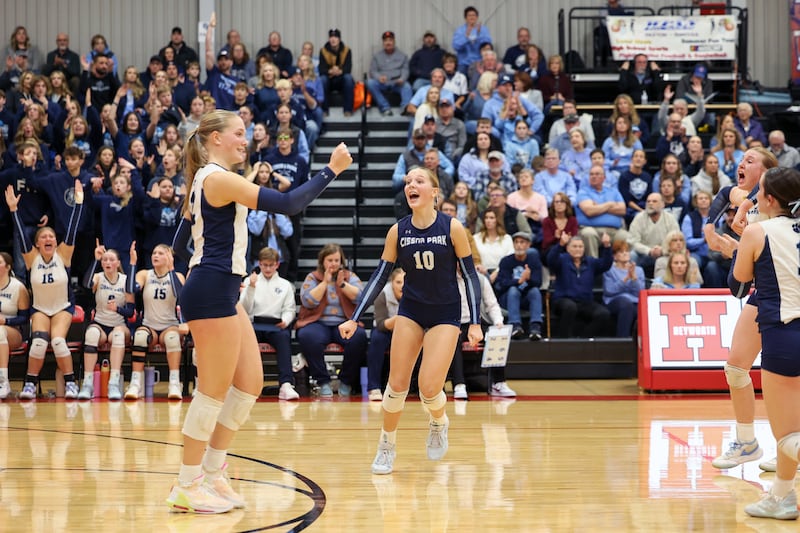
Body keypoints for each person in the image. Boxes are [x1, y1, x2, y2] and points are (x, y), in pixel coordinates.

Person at [166, 108, 352, 513]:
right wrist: (331, 170)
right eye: (237, 132)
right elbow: (287, 203)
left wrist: (193, 271)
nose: (243, 139)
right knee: (212, 391)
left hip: (221, 289)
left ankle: (214, 472)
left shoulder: (206, 180)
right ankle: (186, 483)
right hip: (213, 289)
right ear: (215, 138)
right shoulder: (219, 178)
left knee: (249, 384)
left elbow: (180, 242)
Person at [339, 166, 483, 475]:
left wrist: (474, 322)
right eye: (407, 182)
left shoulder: (453, 227)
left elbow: (470, 275)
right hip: (412, 311)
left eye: (419, 181)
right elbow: (379, 277)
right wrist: (354, 317)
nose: (411, 185)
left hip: (446, 313)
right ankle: (386, 444)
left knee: (429, 388)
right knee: (397, 384)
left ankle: (438, 421)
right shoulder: (398, 231)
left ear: (434, 192)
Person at [721, 167, 800, 520]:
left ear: (768, 199)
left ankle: (778, 492)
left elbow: (739, 286)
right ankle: (781, 497)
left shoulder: (756, 231)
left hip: (784, 335)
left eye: (759, 193)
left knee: (787, 436)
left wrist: (735, 251)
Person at [702, 147, 780, 471]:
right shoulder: (747, 199)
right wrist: (710, 227)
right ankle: (747, 442)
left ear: (768, 172)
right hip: (765, 292)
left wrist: (738, 240)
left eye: (750, 160)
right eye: (741, 159)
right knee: (736, 368)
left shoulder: (784, 203)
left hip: (790, 293)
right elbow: (723, 193)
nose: (741, 164)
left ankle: (794, 448)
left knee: (785, 377)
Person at [5, 179, 84, 400]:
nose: (48, 238)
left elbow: (72, 230)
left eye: (51, 236)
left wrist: (79, 202)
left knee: (58, 341)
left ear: (56, 242)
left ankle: (70, 384)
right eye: (43, 237)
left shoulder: (63, 255)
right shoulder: (32, 259)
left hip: (62, 308)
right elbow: (21, 236)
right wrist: (14, 210)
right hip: (39, 308)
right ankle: (30, 384)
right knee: (38, 342)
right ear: (38, 243)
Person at [295, 243, 367, 398]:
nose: (334, 264)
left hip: (344, 322)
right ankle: (323, 382)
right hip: (318, 323)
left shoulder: (349, 276)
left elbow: (361, 297)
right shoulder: (312, 277)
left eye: (337, 260)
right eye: (330, 260)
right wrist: (325, 283)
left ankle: (346, 382)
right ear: (322, 262)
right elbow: (308, 301)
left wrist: (342, 284)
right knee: (307, 336)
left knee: (358, 337)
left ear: (341, 261)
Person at [124, 243, 185, 401]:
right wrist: (132, 263)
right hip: (149, 325)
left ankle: (174, 383)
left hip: (169, 326)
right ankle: (135, 383)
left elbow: (180, 294)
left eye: (160, 253)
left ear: (169, 257)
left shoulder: (178, 276)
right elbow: (131, 288)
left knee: (172, 339)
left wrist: (171, 269)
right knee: (139, 337)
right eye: (154, 252)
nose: (155, 256)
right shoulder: (145, 274)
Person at [239, 247, 299, 401]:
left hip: (275, 326)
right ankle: (245, 384)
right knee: (244, 341)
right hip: (253, 324)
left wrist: (285, 321)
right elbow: (244, 309)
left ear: (277, 265)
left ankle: (285, 384)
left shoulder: (285, 285)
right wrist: (251, 288)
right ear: (259, 264)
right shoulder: (249, 281)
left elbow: (290, 309)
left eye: (271, 265)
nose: (267, 268)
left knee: (284, 338)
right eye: (264, 265)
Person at [78, 242, 133, 401]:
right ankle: (87, 384)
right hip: (100, 324)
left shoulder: (125, 280)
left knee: (117, 336)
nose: (107, 262)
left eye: (111, 260)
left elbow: (130, 312)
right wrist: (95, 260)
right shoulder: (98, 277)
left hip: (119, 325)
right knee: (92, 334)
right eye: (104, 260)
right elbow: (86, 284)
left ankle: (113, 383)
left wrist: (118, 309)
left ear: (118, 263)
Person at [547, 233, 613, 338]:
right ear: (568, 248)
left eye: (580, 246)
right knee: (570, 307)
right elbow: (550, 260)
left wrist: (607, 246)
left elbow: (606, 264)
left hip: (584, 302)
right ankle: (564, 340)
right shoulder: (562, 260)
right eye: (574, 246)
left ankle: (583, 339)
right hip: (563, 300)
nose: (578, 249)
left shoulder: (590, 262)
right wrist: (560, 244)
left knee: (603, 314)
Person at [365, 268, 405, 401]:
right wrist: (401, 316)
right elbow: (381, 324)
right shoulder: (383, 293)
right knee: (377, 339)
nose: (402, 286)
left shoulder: (415, 293)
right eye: (398, 282)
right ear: (392, 283)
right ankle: (374, 387)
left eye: (405, 282)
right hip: (386, 330)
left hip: (407, 331)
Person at [494, 231, 543, 340]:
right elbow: (501, 284)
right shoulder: (506, 261)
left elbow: (538, 282)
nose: (519, 245)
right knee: (513, 290)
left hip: (526, 298)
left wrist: (529, 278)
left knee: (535, 291)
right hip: (508, 299)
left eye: (522, 242)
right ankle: (515, 326)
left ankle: (535, 327)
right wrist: (518, 281)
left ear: (528, 245)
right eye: (516, 242)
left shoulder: (533, 261)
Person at [576, 165, 628, 258]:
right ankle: (593, 267)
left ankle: (622, 268)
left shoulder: (613, 192)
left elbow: (622, 210)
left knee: (627, 237)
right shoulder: (583, 192)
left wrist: (598, 207)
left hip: (614, 230)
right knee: (588, 234)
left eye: (597, 174)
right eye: (591, 174)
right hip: (592, 229)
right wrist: (609, 204)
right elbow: (589, 211)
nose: (593, 176)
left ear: (604, 178)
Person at [628, 193, 680, 278]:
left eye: (654, 201)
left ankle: (666, 287)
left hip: (665, 253)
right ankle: (634, 284)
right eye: (648, 201)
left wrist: (663, 250)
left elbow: (676, 241)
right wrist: (649, 251)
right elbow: (633, 242)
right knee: (632, 255)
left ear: (662, 204)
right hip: (644, 254)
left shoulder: (670, 218)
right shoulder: (639, 218)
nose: (650, 204)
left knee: (676, 257)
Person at [0, 252, 30, 399]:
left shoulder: (18, 287)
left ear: (8, 266)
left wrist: (6, 321)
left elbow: (24, 318)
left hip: (13, 332)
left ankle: (3, 381)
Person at [683, 190, 724, 288]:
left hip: (715, 253)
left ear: (710, 200)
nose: (703, 200)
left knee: (712, 267)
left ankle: (717, 294)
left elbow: (724, 234)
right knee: (692, 260)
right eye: (700, 198)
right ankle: (693, 289)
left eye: (706, 198)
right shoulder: (689, 218)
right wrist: (704, 240)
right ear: (695, 202)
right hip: (698, 253)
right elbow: (687, 242)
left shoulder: (719, 216)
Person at [603, 240, 644, 338]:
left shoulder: (638, 270)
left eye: (627, 251)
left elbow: (640, 293)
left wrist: (634, 277)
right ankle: (622, 339)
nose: (625, 253)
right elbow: (610, 290)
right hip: (615, 301)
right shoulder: (609, 270)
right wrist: (626, 279)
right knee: (626, 304)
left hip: (635, 302)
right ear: (615, 256)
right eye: (621, 252)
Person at [367, 31, 412, 117]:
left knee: (407, 86)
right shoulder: (377, 56)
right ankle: (385, 108)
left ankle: (405, 108)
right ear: (383, 43)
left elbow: (405, 70)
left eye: (390, 40)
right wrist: (379, 77)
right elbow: (373, 71)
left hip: (397, 82)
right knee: (370, 83)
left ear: (394, 42)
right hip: (383, 82)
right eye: (386, 41)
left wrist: (402, 78)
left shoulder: (403, 55)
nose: (388, 43)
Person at [319, 29, 354, 117]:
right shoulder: (323, 51)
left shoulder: (347, 50)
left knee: (348, 78)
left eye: (335, 37)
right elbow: (321, 69)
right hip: (329, 80)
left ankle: (348, 110)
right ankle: (324, 110)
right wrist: (330, 71)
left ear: (339, 39)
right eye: (331, 37)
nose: (333, 39)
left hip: (341, 79)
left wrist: (339, 71)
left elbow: (348, 68)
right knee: (322, 79)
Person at [452, 6, 492, 76]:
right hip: (463, 64)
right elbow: (456, 46)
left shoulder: (483, 29)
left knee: (477, 85)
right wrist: (466, 37)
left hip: (479, 63)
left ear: (477, 17)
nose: (472, 17)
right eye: (469, 15)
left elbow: (488, 46)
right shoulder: (460, 30)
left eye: (473, 15)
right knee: (461, 84)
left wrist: (479, 35)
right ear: (465, 18)